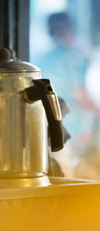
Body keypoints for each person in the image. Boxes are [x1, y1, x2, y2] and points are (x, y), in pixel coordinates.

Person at [32, 12, 97, 177]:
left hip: (46, 123)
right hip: (71, 127)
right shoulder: (76, 59)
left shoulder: (40, 59)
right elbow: (80, 95)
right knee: (71, 173)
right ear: (69, 29)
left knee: (57, 170)